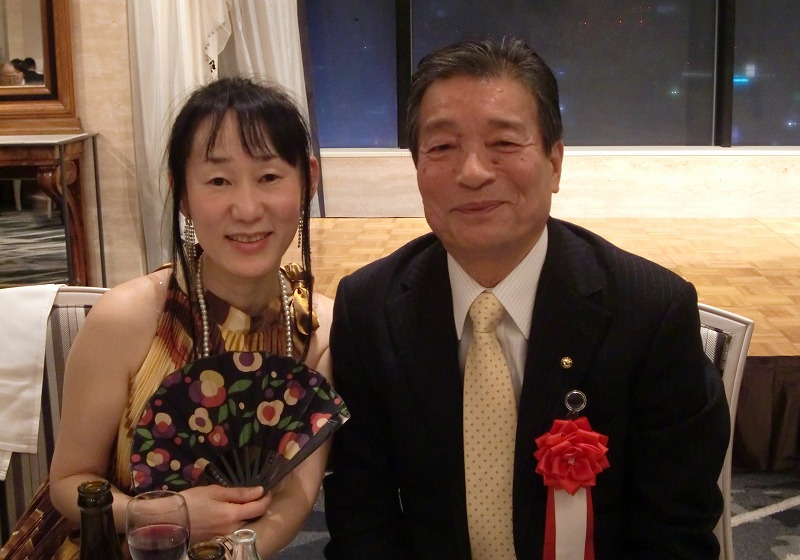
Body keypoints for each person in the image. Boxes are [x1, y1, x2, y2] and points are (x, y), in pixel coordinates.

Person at [323, 38, 730, 559]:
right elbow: (362, 518)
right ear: (417, 167)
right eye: (442, 147)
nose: (473, 171)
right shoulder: (369, 308)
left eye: (504, 143)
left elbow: (674, 533)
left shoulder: (649, 310)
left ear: (554, 162)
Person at [50, 77, 331, 558]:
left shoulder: (317, 330)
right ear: (181, 193)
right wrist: (163, 514)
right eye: (218, 181)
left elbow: (295, 497)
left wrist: (227, 554)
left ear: (308, 180)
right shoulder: (127, 319)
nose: (247, 209)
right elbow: (68, 483)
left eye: (269, 177)